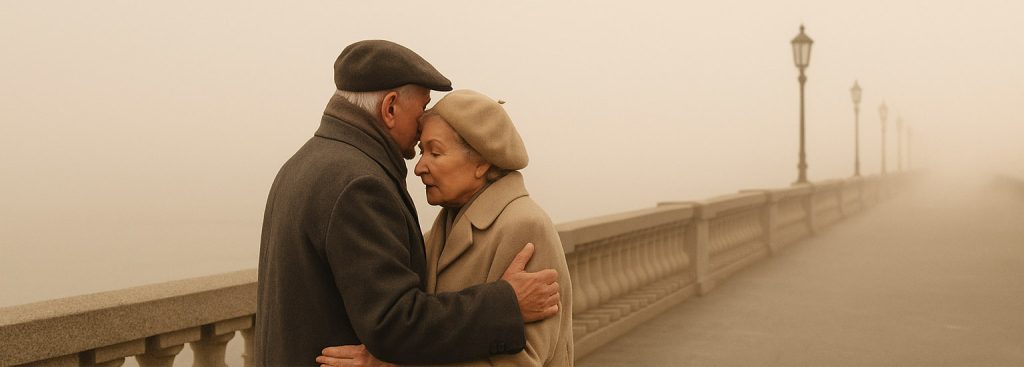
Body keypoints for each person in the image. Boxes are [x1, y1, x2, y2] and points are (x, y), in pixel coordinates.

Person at [255, 40, 562, 367]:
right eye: (422, 108)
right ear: (389, 108)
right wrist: (506, 304)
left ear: (482, 162)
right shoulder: (360, 183)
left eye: (436, 151)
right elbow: (394, 324)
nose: (422, 125)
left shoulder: (301, 164)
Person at [319, 90, 574, 366]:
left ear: (481, 161)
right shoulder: (438, 233)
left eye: (435, 152)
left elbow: (520, 362)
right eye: (421, 151)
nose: (419, 167)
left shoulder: (525, 226)